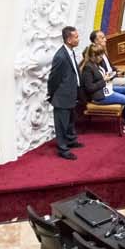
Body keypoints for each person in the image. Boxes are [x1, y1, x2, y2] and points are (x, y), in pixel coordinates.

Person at [79, 43, 125, 135]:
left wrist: (108, 76)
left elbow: (100, 77)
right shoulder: (88, 68)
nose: (102, 57)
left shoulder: (96, 64)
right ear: (93, 55)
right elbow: (90, 88)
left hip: (107, 89)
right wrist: (104, 80)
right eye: (100, 55)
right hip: (99, 96)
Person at [47, 25, 82, 160]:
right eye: (76, 37)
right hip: (62, 97)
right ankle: (63, 149)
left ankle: (71, 141)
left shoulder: (70, 51)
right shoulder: (60, 56)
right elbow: (53, 78)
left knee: (70, 122)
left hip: (71, 94)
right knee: (61, 125)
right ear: (68, 39)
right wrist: (52, 95)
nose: (78, 39)